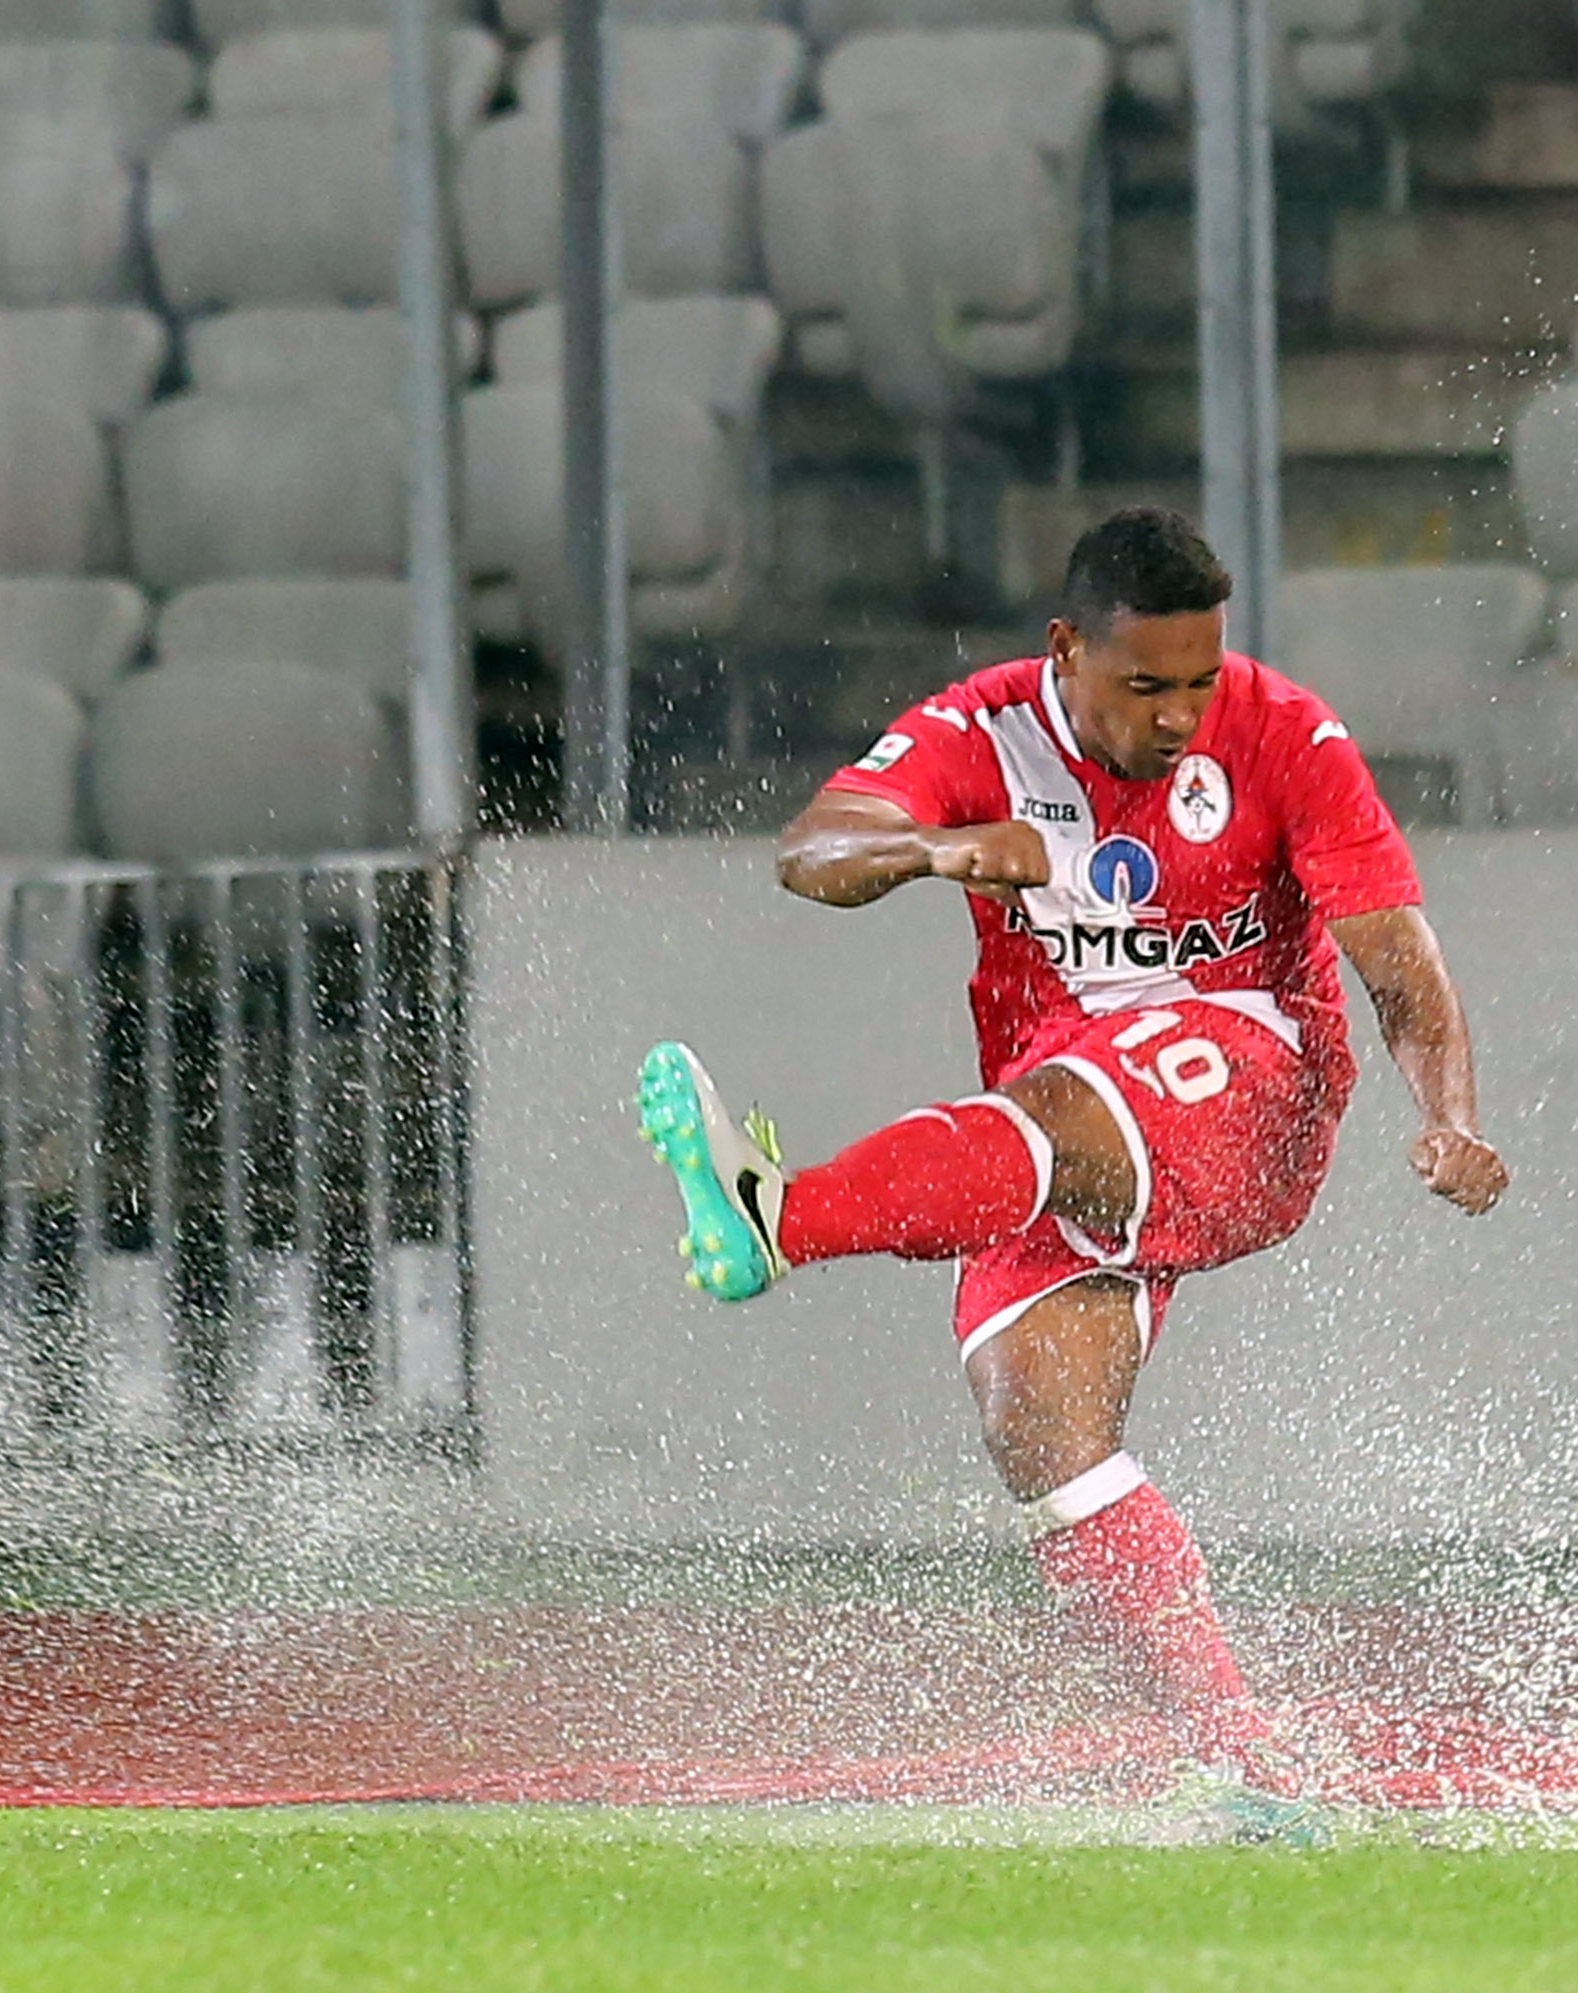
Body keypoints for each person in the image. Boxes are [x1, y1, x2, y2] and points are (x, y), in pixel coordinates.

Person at [635, 507, 1509, 1787]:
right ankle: (1244, 1765)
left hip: (1257, 1089)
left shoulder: (1287, 735)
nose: (1177, 715)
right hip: (1058, 1129)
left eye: (1198, 681)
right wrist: (937, 849)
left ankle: (780, 1216)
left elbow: (1396, 958)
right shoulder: (981, 727)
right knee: (1042, 1431)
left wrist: (1450, 1119)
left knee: (1056, 1110)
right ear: (1065, 649)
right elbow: (811, 851)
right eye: (1144, 684)